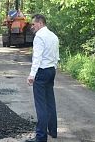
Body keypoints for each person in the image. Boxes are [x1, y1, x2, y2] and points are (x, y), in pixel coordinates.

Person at [26, 14, 59, 142]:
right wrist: (53, 68)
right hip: (51, 70)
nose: (32, 27)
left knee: (41, 105)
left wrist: (32, 75)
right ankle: (53, 130)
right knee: (50, 102)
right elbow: (56, 56)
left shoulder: (39, 36)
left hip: (42, 72)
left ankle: (40, 137)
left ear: (40, 23)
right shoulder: (53, 36)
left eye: (33, 24)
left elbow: (37, 58)